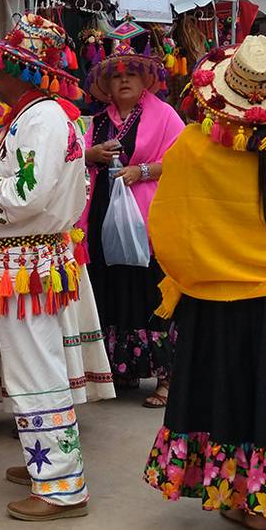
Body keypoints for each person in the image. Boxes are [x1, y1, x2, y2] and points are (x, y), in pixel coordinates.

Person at [143, 35, 266, 530]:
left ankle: (245, 499)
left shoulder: (193, 146)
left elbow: (168, 228)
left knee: (234, 396)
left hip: (219, 299)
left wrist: (190, 276)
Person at [0, 14, 111, 521]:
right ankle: (46, 462)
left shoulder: (41, 120)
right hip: (32, 260)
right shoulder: (46, 117)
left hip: (25, 261)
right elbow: (48, 184)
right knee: (38, 365)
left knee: (33, 370)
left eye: (3, 68)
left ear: (24, 72)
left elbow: (28, 193)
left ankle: (61, 485)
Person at [80, 45, 184, 408]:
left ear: (144, 82)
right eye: (116, 76)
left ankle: (167, 380)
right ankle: (120, 369)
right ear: (106, 85)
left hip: (145, 218)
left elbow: (181, 160)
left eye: (131, 75)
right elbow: (75, 158)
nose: (123, 80)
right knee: (111, 287)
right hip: (101, 215)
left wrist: (140, 171)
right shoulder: (97, 122)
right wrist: (90, 156)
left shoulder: (165, 115)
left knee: (148, 291)